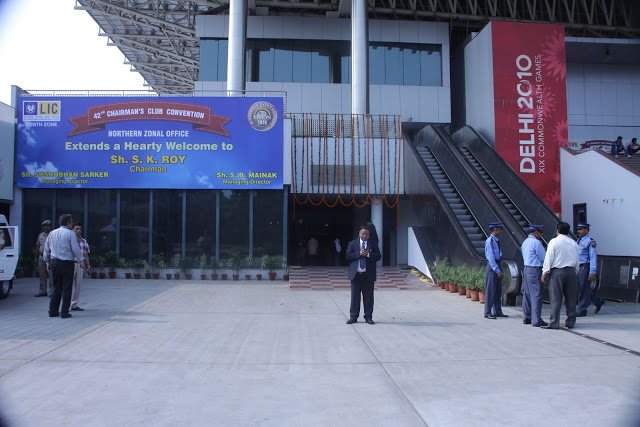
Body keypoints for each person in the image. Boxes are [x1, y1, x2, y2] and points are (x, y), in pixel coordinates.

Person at [43, 214, 83, 319]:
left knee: (57, 288)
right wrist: (81, 260)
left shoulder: (51, 233)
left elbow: (46, 249)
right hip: (67, 263)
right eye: (71, 222)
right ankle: (64, 312)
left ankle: (53, 311)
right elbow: (75, 249)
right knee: (67, 288)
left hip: (54, 263)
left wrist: (47, 262)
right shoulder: (70, 233)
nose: (72, 224)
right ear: (68, 223)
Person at [541, 222, 579, 329]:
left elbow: (549, 257)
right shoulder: (573, 243)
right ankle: (571, 321)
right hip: (571, 272)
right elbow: (577, 259)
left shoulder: (554, 242)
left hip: (557, 272)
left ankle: (554, 322)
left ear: (557, 230)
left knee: (556, 298)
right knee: (571, 298)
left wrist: (545, 272)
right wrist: (576, 271)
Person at [345, 224, 381, 325]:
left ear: (369, 235)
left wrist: (368, 254)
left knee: (368, 297)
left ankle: (368, 317)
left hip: (368, 275)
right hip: (356, 275)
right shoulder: (353, 243)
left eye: (366, 234)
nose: (364, 235)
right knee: (355, 297)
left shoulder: (373, 244)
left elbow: (378, 256)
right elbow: (348, 256)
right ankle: (353, 317)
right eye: (363, 233)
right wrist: (359, 254)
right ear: (359, 233)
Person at [520, 224, 548, 327]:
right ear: (536, 232)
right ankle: (536, 320)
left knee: (527, 294)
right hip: (535, 269)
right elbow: (543, 257)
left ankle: (527, 317)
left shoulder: (525, 242)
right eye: (540, 232)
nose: (541, 235)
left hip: (527, 268)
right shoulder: (536, 243)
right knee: (536, 295)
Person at [575, 223, 605, 316]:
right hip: (579, 267)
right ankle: (598, 301)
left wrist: (592, 272)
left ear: (586, 230)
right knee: (582, 288)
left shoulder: (590, 242)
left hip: (586, 267)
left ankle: (582, 309)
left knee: (584, 288)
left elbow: (593, 257)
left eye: (581, 229)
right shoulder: (579, 240)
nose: (579, 231)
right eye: (578, 229)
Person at [484, 222, 508, 319]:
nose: (501, 231)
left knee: (498, 290)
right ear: (495, 229)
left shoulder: (496, 240)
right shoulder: (490, 241)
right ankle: (487, 312)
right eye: (499, 229)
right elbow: (491, 257)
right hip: (493, 266)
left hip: (498, 264)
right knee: (491, 290)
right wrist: (497, 270)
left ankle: (497, 311)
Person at [70, 223, 91, 312]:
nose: (78, 230)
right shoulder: (69, 240)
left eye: (80, 229)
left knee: (78, 285)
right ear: (72, 230)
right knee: (69, 285)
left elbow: (86, 255)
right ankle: (67, 305)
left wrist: (88, 266)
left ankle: (74, 305)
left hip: (80, 265)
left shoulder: (84, 241)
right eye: (76, 229)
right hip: (70, 264)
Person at [33, 220, 52, 297]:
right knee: (42, 274)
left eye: (47, 226)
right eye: (44, 226)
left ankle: (52, 292)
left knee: (51, 275)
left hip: (50, 257)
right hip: (41, 257)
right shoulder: (40, 235)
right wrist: (35, 257)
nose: (46, 227)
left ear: (50, 227)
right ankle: (42, 291)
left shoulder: (53, 235)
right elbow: (37, 246)